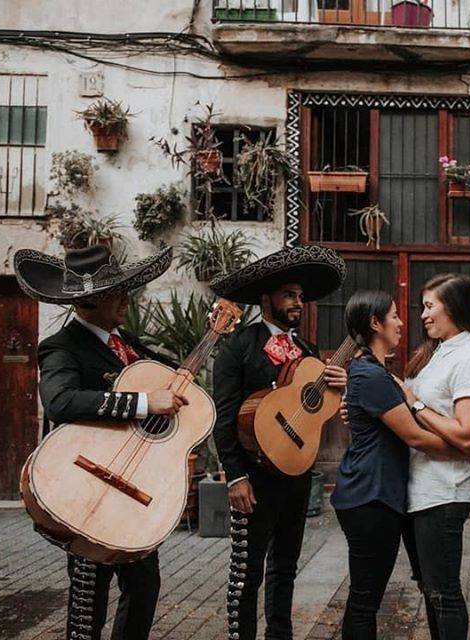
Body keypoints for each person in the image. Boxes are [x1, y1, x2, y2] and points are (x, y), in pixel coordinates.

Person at [15, 244, 182, 640]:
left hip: (132, 489)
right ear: (90, 301)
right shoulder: (62, 346)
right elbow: (59, 401)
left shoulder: (128, 344)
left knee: (144, 587)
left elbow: (168, 380)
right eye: (115, 292)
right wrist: (142, 402)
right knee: (90, 599)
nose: (126, 298)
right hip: (89, 489)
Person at [209, 245, 348, 640]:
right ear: (266, 298)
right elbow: (225, 417)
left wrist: (338, 385)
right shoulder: (238, 347)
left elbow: (320, 409)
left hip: (297, 474)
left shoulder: (305, 351)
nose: (298, 303)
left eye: (301, 297)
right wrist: (235, 477)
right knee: (247, 571)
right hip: (254, 478)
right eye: (289, 295)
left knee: (286, 565)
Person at [331, 290, 467, 640]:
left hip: (371, 493)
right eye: (394, 315)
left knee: (365, 596)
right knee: (365, 599)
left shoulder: (373, 372)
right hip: (370, 496)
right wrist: (462, 447)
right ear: (375, 323)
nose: (401, 322)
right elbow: (415, 436)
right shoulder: (370, 374)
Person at [400, 274, 470, 640]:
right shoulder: (437, 353)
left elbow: (468, 435)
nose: (422, 315)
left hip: (443, 492)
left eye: (429, 306)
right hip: (421, 489)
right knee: (431, 591)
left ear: (452, 307)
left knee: (444, 593)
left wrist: (414, 402)